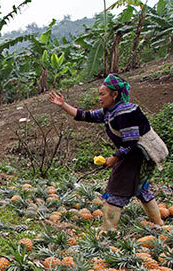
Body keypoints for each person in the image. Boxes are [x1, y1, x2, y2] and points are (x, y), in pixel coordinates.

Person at [48, 74, 163, 231]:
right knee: (141, 188)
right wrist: (63, 104)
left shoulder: (124, 113)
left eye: (102, 94)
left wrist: (113, 159)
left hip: (136, 155)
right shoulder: (110, 110)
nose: (99, 98)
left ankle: (108, 231)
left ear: (114, 94)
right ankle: (158, 223)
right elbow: (85, 115)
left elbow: (131, 142)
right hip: (134, 154)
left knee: (116, 189)